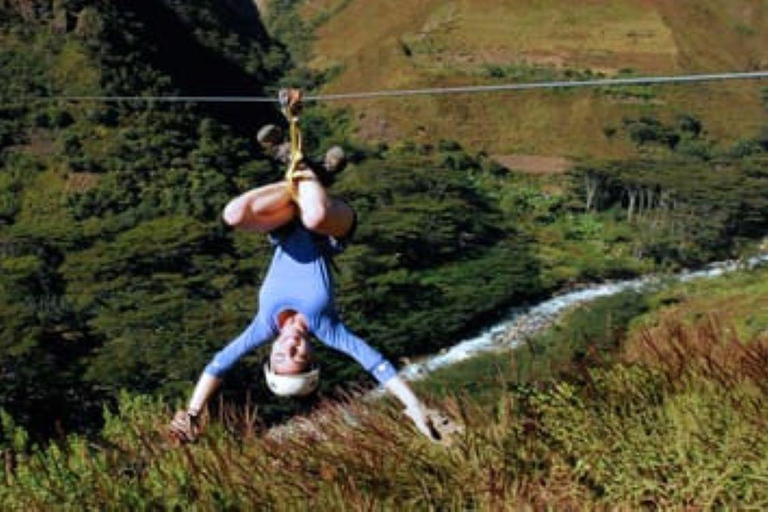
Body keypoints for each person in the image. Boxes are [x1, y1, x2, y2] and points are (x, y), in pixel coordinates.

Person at [169, 154, 442, 444]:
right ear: (311, 356)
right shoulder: (329, 329)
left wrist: (193, 413)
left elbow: (218, 365)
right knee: (314, 216)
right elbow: (377, 366)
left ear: (271, 352)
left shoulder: (262, 326)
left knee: (232, 215)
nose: (290, 346)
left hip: (285, 223)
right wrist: (414, 405)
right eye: (298, 356)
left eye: (280, 356)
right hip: (332, 227)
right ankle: (310, 173)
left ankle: (303, 170)